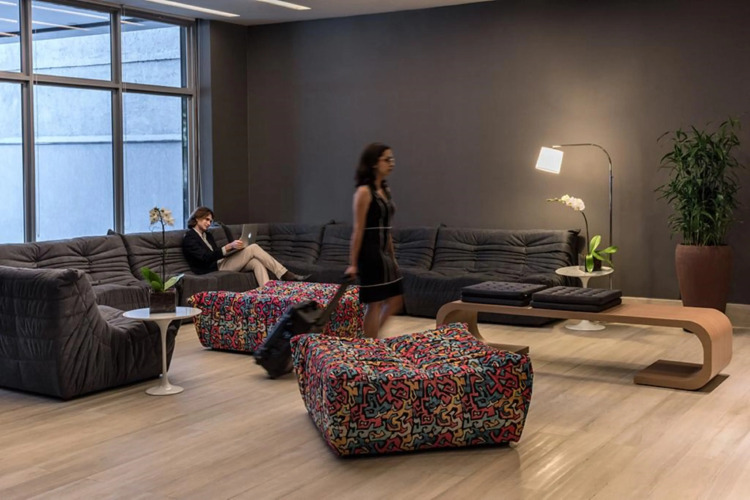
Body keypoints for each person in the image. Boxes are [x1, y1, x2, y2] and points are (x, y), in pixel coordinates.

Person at [345, 143, 404, 339]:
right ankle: (369, 344)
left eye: (392, 159)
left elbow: (386, 229)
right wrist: (353, 264)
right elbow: (358, 230)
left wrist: (392, 257)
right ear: (374, 163)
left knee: (396, 300)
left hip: (384, 254)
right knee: (375, 303)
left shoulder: (385, 190)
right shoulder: (363, 192)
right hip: (370, 254)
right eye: (387, 159)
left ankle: (371, 339)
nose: (391, 163)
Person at [182, 207, 306, 286]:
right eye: (206, 219)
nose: (209, 223)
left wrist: (233, 249)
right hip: (211, 269)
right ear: (197, 218)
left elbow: (215, 253)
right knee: (253, 248)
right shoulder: (189, 238)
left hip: (221, 263)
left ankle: (267, 293)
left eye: (210, 221)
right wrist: (227, 247)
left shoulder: (207, 235)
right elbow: (205, 258)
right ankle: (284, 273)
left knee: (256, 262)